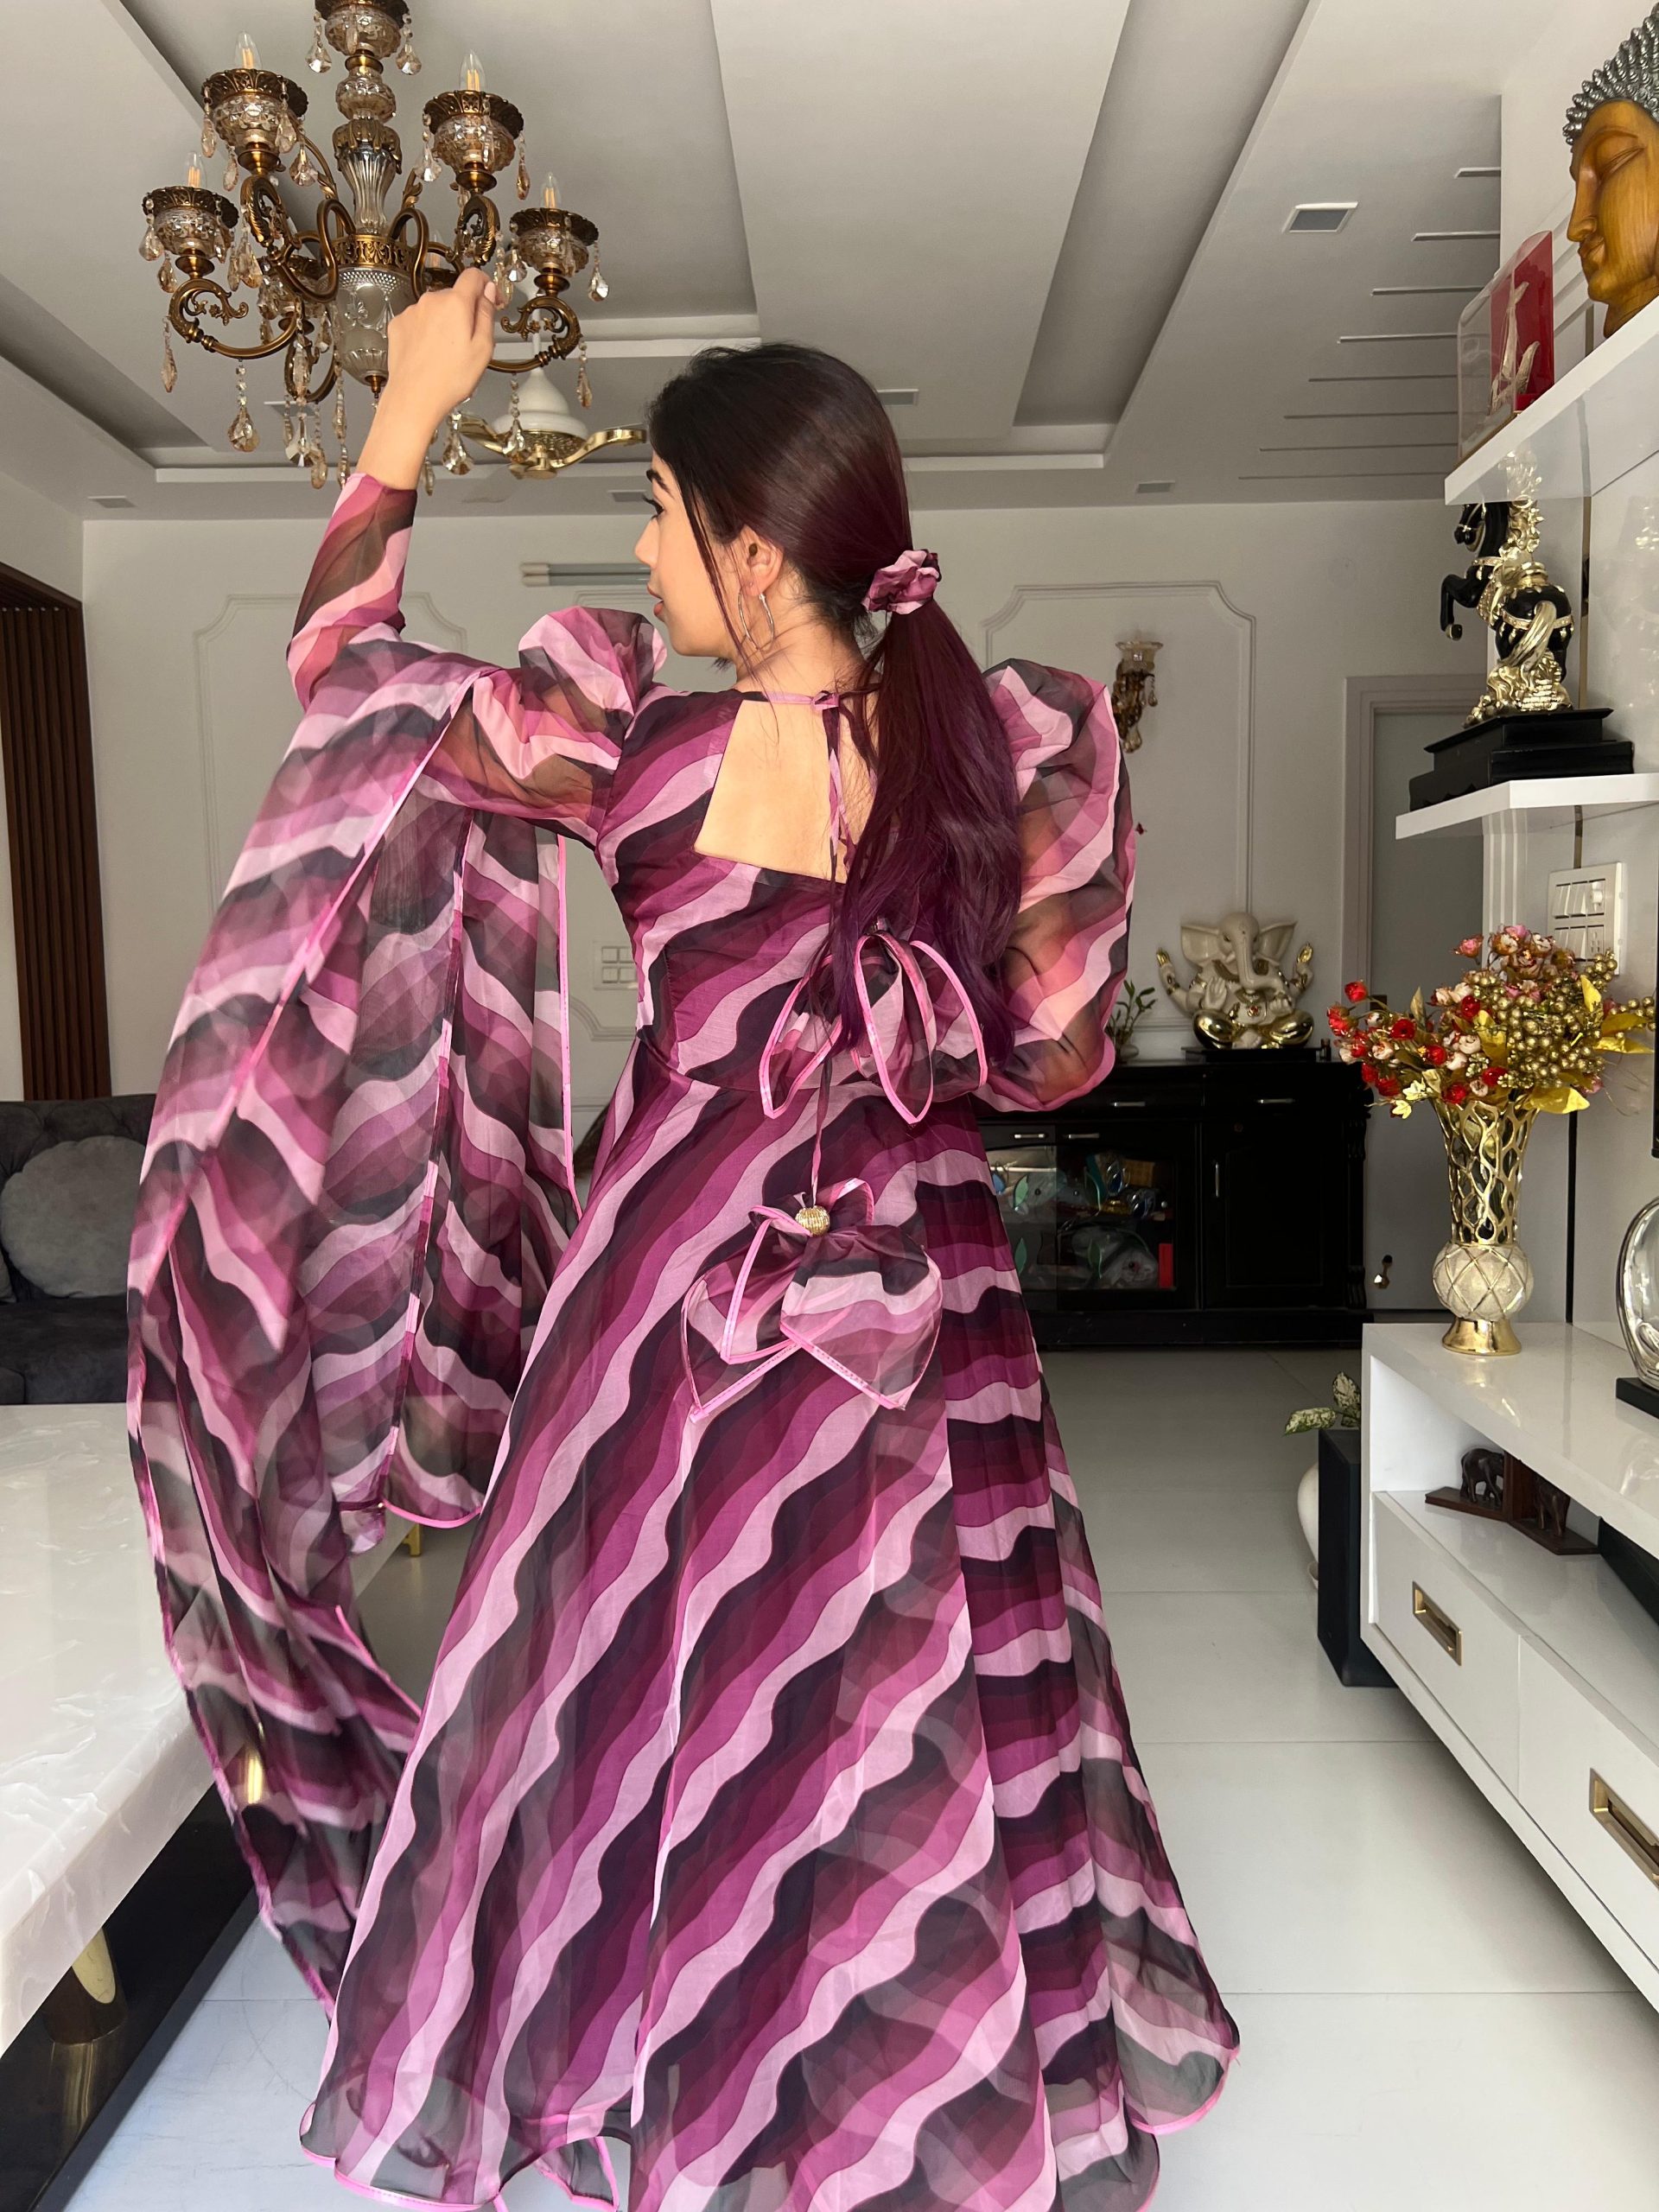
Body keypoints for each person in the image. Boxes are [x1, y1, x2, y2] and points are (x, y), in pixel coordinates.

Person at [129, 267, 1236, 2212]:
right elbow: (1060, 1056)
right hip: (926, 1291)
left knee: (643, 1676)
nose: (641, 554)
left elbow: (341, 676)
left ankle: (700, 2068)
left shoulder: (639, 743)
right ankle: (917, 2083)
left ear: (748, 547)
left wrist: (412, 404)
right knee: (916, 1670)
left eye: (657, 513)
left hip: (671, 1288)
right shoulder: (995, 750)